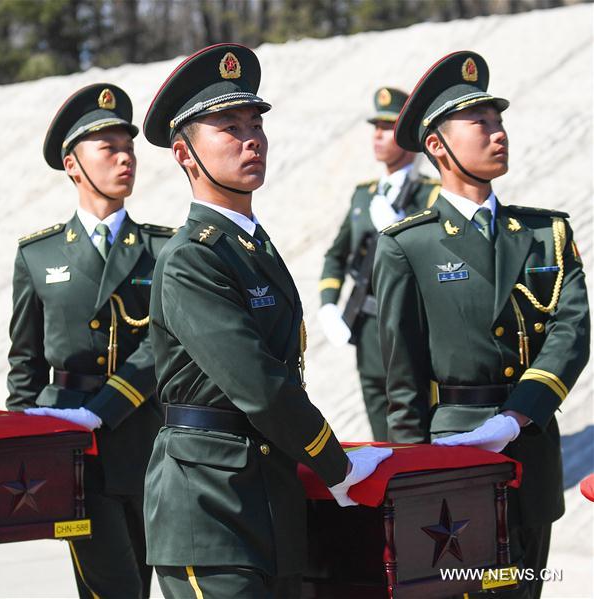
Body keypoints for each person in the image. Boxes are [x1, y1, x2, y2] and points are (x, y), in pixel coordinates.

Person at [141, 43, 392, 598]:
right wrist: (335, 461)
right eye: (228, 128)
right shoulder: (191, 257)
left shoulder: (248, 244)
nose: (251, 138)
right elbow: (257, 381)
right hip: (206, 507)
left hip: (264, 497)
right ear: (185, 155)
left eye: (255, 123)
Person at [374, 51, 589, 599]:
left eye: (499, 121)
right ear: (438, 147)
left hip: (532, 449)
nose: (498, 134)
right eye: (481, 123)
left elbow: (572, 330)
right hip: (455, 458)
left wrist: (520, 415)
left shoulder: (547, 234)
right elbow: (403, 383)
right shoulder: (409, 246)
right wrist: (411, 480)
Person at [8, 83, 174, 599]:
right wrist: (22, 446)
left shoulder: (163, 249)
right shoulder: (38, 255)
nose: (125, 158)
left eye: (128, 147)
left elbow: (168, 342)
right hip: (72, 444)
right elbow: (24, 361)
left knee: (146, 583)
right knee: (110, 586)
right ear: (74, 165)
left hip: (147, 435)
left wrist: (105, 407)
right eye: (109, 148)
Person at [317, 87, 440, 441]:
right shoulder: (364, 194)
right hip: (367, 325)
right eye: (375, 128)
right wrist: (328, 304)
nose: (378, 136)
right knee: (378, 418)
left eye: (387, 128)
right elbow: (336, 256)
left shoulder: (429, 194)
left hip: (411, 325)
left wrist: (399, 226)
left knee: (416, 424)